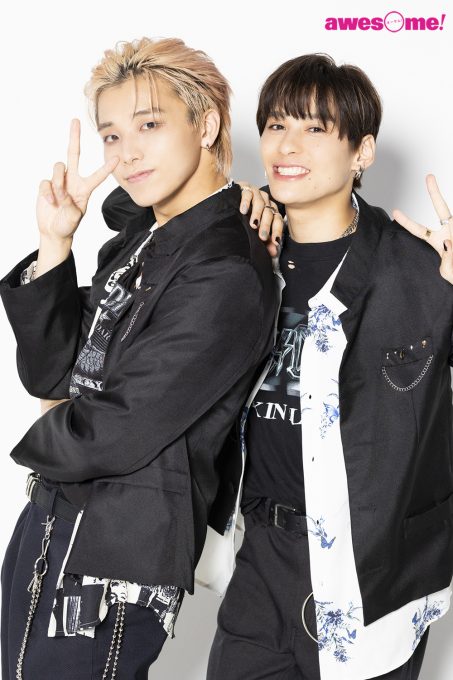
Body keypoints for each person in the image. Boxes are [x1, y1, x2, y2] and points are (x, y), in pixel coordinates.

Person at [0, 37, 277, 679]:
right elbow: (50, 372)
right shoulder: (143, 236)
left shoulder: (226, 270)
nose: (126, 154)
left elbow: (118, 428)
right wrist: (55, 244)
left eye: (149, 125)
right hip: (53, 514)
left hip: (116, 552)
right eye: (112, 135)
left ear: (206, 125)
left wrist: (50, 418)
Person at [203, 54, 453, 680]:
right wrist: (225, 201)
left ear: (362, 151)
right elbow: (136, 214)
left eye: (315, 128)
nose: (287, 146)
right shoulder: (239, 251)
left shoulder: (414, 268)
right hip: (260, 555)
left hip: (372, 566)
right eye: (276, 125)